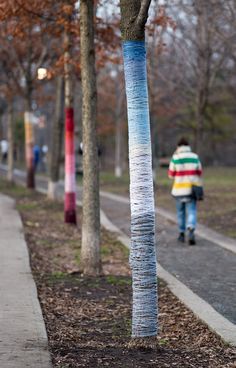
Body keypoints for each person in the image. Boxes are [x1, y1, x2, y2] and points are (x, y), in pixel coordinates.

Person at [168, 137, 202, 245]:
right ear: (188, 146)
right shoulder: (195, 156)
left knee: (180, 212)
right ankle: (191, 227)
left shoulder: (176, 157)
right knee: (191, 210)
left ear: (178, 147)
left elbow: (170, 175)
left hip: (178, 190)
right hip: (191, 190)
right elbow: (199, 172)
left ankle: (181, 234)